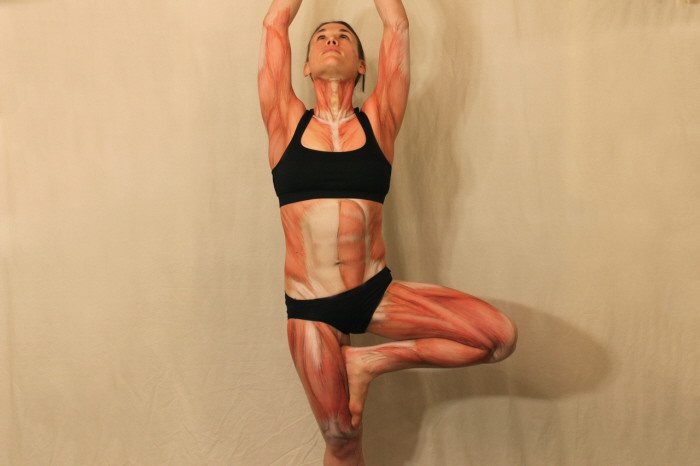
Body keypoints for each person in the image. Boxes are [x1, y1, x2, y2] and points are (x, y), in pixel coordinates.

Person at [258, 1, 518, 464]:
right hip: (311, 306)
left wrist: (376, 358)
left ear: (362, 65)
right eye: (321, 37)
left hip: (375, 291)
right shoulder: (284, 120)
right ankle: (354, 390)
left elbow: (396, 24)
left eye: (344, 37)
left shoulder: (379, 121)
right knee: (342, 438)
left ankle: (369, 363)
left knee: (497, 337)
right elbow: (275, 22)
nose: (332, 39)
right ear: (305, 66)